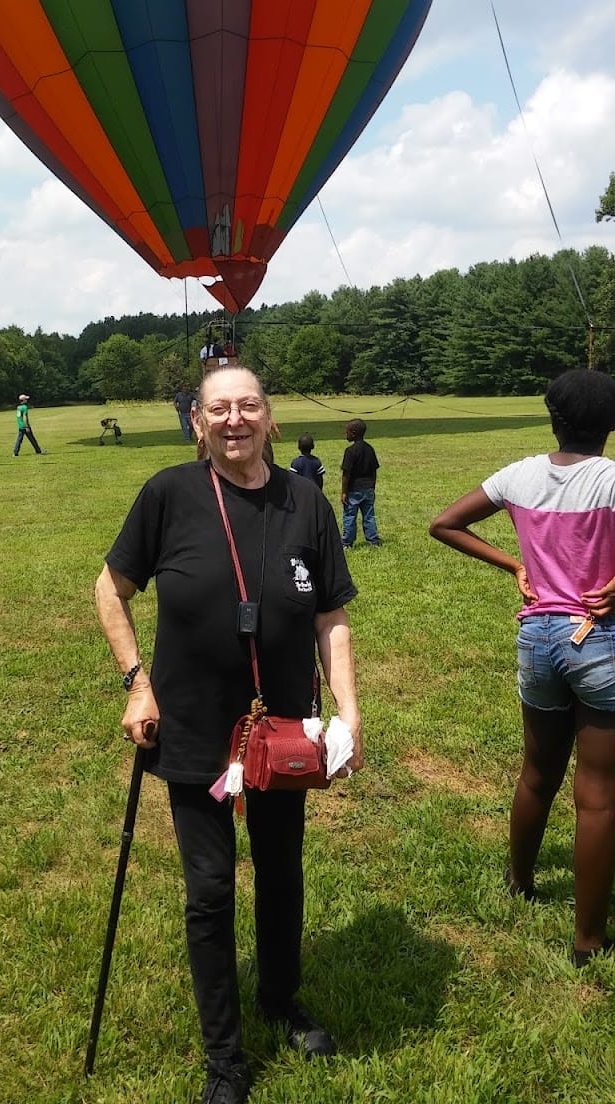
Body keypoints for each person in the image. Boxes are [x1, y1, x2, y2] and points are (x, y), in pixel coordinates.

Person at [95, 366, 363, 1103]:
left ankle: (279, 999)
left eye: (248, 406)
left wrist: (349, 711)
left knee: (282, 874)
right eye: (218, 409)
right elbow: (108, 588)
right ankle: (225, 1060)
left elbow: (330, 617)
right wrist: (137, 683)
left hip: (279, 731)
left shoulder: (305, 502)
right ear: (197, 423)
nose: (234, 420)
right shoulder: (169, 495)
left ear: (270, 417)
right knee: (209, 890)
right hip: (191, 729)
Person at [429, 368, 615, 967]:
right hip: (601, 642)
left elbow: (444, 524)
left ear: (552, 418)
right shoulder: (611, 480)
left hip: (537, 637)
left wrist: (513, 564)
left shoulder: (520, 475)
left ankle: (519, 881)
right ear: (609, 425)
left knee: (538, 772)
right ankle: (588, 940)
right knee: (599, 796)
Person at [340, 419, 380, 547]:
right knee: (369, 516)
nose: (345, 434)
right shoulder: (370, 449)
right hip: (368, 488)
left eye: (346, 432)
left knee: (350, 516)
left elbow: (346, 474)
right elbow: (374, 470)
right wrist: (372, 486)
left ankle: (346, 543)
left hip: (353, 490)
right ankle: (373, 540)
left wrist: (344, 492)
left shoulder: (350, 451)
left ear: (353, 433)